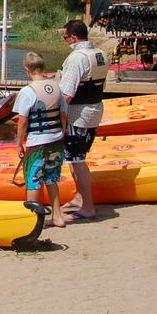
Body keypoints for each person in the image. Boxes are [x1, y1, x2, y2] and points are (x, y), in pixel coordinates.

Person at [59, 19, 107, 220]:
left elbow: (67, 94)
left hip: (78, 114)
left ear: (72, 37)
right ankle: (80, 197)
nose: (65, 41)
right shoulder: (99, 54)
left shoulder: (76, 58)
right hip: (95, 109)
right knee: (74, 157)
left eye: (65, 37)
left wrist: (55, 116)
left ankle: (88, 206)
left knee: (77, 160)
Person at [14, 51, 68, 228]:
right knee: (51, 178)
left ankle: (33, 221)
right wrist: (62, 133)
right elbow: (63, 114)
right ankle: (58, 217)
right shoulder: (56, 87)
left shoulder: (27, 91)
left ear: (27, 69)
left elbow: (23, 121)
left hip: (37, 142)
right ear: (43, 68)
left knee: (33, 179)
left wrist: (19, 143)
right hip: (56, 139)